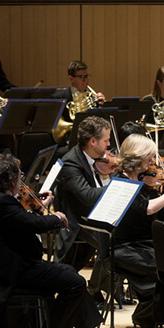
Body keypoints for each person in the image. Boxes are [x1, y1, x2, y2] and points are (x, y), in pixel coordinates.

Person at [0, 153, 119, 328]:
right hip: (15, 272)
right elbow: (34, 225)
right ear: (11, 180)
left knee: (70, 274)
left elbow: (21, 223)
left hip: (10, 267)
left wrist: (41, 208)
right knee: (74, 281)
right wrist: (57, 218)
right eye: (19, 177)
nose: (21, 181)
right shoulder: (1, 203)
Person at [112, 134, 164, 328]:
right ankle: (144, 316)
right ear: (137, 157)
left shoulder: (141, 181)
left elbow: (158, 214)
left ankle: (154, 314)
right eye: (149, 156)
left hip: (144, 243)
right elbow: (145, 208)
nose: (152, 161)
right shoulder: (122, 183)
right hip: (125, 247)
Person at [53, 116, 110, 293]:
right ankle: (94, 290)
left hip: (95, 214)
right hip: (78, 220)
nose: (109, 146)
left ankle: (103, 287)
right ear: (93, 141)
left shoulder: (93, 156)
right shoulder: (71, 163)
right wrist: (115, 185)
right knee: (111, 243)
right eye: (106, 141)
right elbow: (88, 196)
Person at [51, 61, 106, 145]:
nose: (86, 80)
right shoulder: (59, 97)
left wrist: (101, 106)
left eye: (87, 76)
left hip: (90, 139)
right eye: (81, 77)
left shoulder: (93, 97)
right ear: (71, 78)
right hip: (69, 140)